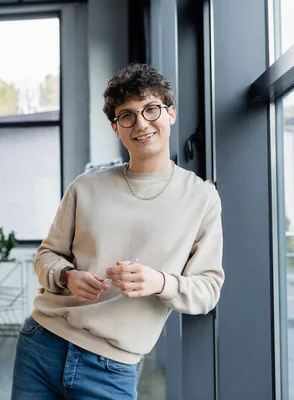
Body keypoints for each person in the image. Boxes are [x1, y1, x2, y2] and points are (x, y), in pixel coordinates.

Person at [11, 63, 224, 400]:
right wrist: (68, 277)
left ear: (170, 113)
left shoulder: (201, 197)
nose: (141, 123)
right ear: (116, 127)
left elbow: (209, 289)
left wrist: (160, 282)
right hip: (42, 343)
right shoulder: (86, 186)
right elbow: (46, 256)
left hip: (112, 367)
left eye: (151, 109)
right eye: (127, 115)